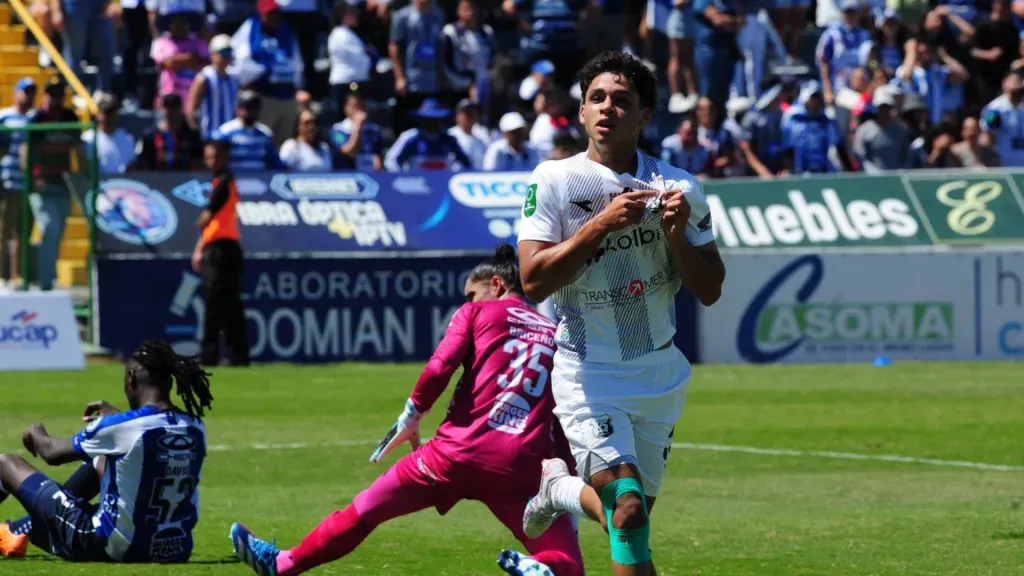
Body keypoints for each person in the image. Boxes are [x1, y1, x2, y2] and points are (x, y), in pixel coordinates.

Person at [230, 245, 585, 576]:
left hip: (452, 454)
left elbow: (440, 365)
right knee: (567, 560)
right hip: (521, 466)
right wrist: (568, 479)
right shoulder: (555, 333)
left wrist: (412, 415)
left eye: (471, 293)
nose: (467, 300)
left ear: (496, 284)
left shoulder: (477, 312)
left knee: (363, 512)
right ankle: (540, 567)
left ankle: (281, 563)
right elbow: (562, 412)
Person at [516, 51, 725, 576]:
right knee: (627, 509)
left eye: (622, 100)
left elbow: (711, 289)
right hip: (588, 371)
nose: (608, 108)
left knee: (629, 522)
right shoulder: (554, 180)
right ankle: (567, 486)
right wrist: (598, 226)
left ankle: (560, 488)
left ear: (645, 116)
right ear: (582, 113)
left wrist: (676, 236)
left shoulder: (678, 187)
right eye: (597, 99)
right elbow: (533, 279)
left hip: (659, 372)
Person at [0, 340, 211, 563]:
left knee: (5, 463)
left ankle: (19, 530)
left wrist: (35, 431)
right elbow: (145, 442)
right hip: (174, 549)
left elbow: (51, 453)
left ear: (131, 377)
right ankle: (18, 530)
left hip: (106, 545)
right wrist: (116, 419)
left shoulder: (121, 428)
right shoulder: (195, 427)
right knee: (103, 459)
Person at [192, 140, 250, 368]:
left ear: (225, 157)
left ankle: (211, 355)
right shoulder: (222, 181)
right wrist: (199, 246)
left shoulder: (224, 182)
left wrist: (198, 225)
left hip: (221, 251)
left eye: (215, 157)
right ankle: (239, 357)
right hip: (223, 247)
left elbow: (207, 217)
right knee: (230, 305)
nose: (211, 162)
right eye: (208, 157)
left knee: (217, 305)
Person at [21, 78, 81, 292]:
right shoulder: (36, 118)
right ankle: (44, 282)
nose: (54, 98)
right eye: (50, 93)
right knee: (49, 227)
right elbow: (26, 151)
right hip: (42, 184)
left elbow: (78, 150)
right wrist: (34, 179)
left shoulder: (69, 117)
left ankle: (49, 277)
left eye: (58, 93)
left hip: (64, 183)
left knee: (58, 231)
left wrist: (80, 178)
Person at [384, 99, 474, 171]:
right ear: (422, 119)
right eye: (429, 119)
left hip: (442, 186)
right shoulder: (410, 137)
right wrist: (401, 177)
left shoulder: (449, 139)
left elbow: (468, 165)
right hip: (416, 187)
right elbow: (391, 161)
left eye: (436, 119)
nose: (433, 123)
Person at [212, 90, 284, 172]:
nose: (249, 113)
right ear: (238, 109)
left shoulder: (265, 133)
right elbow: (218, 160)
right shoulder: (225, 132)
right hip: (233, 180)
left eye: (253, 109)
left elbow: (274, 162)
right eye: (246, 108)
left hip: (260, 181)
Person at [187, 34, 241, 141]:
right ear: (213, 54)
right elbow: (192, 105)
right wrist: (194, 131)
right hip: (210, 134)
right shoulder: (205, 77)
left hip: (231, 134)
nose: (226, 56)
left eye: (229, 52)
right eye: (223, 52)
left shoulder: (234, 78)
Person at [81, 92, 137, 175]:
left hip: (124, 185)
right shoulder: (88, 139)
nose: (109, 115)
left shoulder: (127, 138)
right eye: (106, 111)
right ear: (97, 114)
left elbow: (132, 167)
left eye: (112, 111)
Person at [330, 93, 385, 171]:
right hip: (348, 175)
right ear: (346, 108)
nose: (358, 109)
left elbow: (379, 156)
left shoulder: (374, 129)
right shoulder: (337, 130)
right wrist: (358, 126)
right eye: (354, 106)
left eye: (361, 105)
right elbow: (349, 151)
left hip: (370, 174)